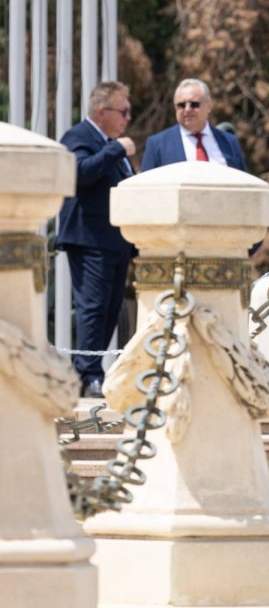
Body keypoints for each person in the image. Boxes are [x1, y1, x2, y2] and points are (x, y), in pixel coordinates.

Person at [57, 81, 137, 398]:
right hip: (89, 239)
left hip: (117, 241)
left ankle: (87, 372)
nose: (127, 118)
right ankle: (89, 373)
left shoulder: (110, 143)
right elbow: (79, 173)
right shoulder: (79, 137)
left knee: (110, 309)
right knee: (92, 307)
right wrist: (116, 150)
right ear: (102, 111)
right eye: (123, 111)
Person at [141, 79, 248, 171]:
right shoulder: (157, 145)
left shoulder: (229, 142)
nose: (187, 110)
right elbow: (145, 189)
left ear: (209, 105)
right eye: (181, 105)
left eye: (194, 104)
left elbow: (245, 185)